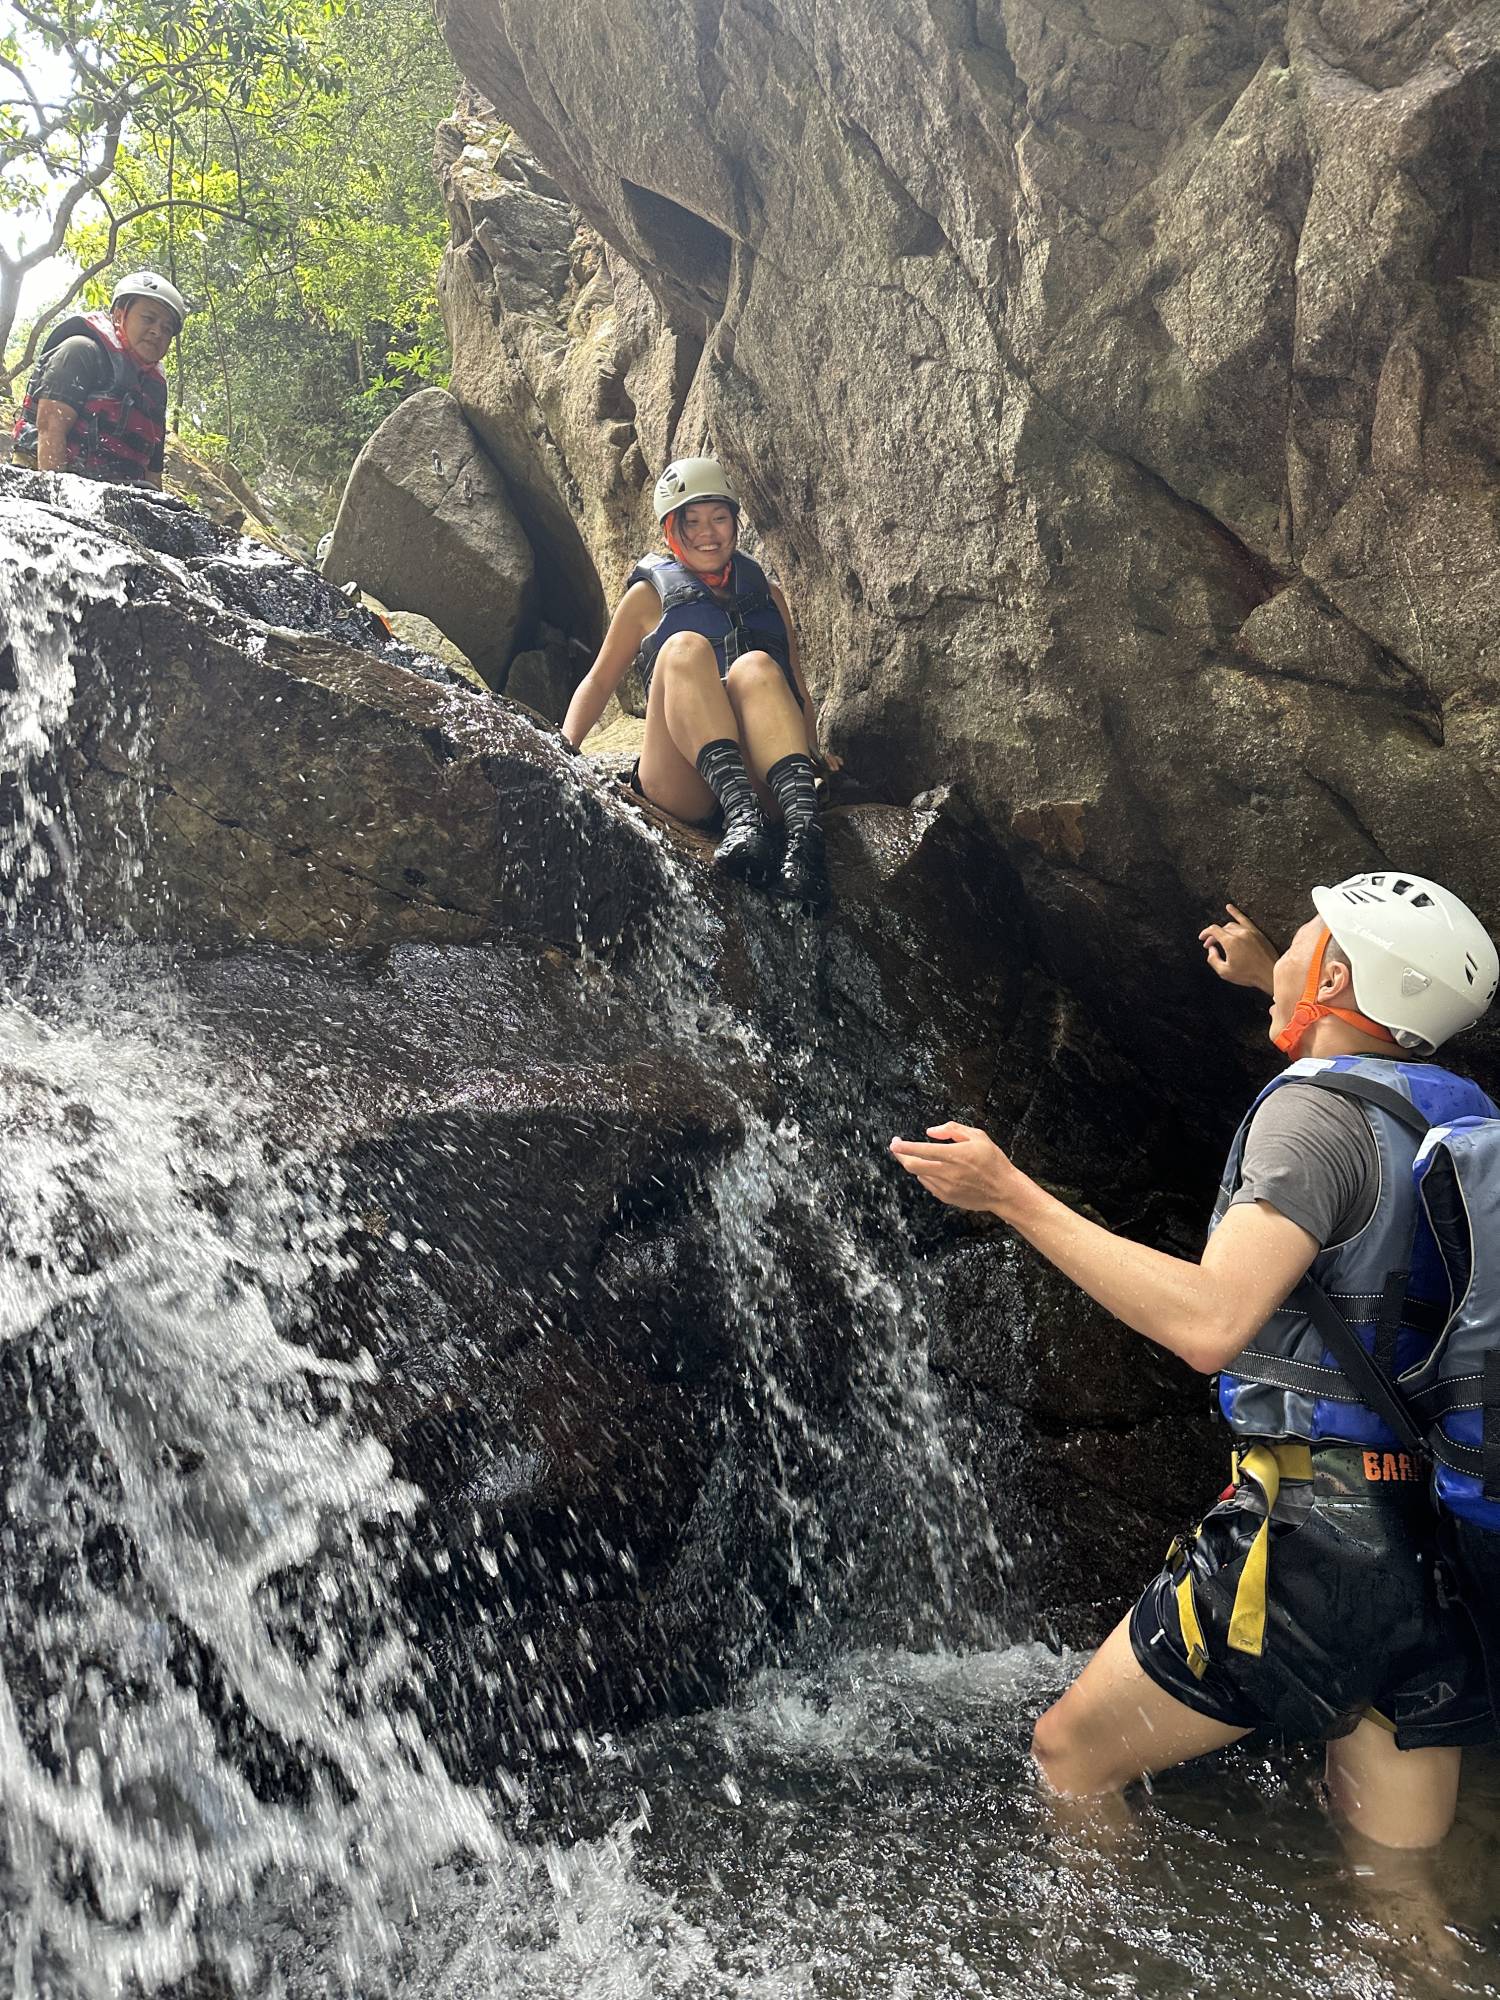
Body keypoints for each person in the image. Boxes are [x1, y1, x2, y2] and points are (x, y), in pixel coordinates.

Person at [892, 872, 1500, 1850]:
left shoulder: (1310, 1119)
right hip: (1436, 1546)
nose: (1292, 943)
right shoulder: (1460, 1121)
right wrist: (1274, 978)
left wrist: (1010, 1192)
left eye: (1308, 936)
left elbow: (1213, 1320)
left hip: (1313, 1531)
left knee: (1067, 1756)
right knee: (1399, 1894)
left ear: (1339, 971)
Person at [562, 456, 831, 907]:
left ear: (734, 523)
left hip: (758, 772)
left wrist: (816, 750)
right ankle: (741, 817)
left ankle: (804, 835)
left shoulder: (768, 596)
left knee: (758, 666)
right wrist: (564, 748)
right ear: (672, 529)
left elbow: (797, 689)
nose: (709, 533)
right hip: (682, 784)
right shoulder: (646, 598)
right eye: (693, 522)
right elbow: (598, 681)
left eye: (719, 518)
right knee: (684, 647)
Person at [11, 270, 188, 490]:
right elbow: (50, 430)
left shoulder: (154, 388)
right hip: (49, 478)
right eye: (148, 319)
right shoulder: (79, 351)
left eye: (166, 328)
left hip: (115, 493)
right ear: (119, 315)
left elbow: (153, 471)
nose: (156, 332)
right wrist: (57, 502)